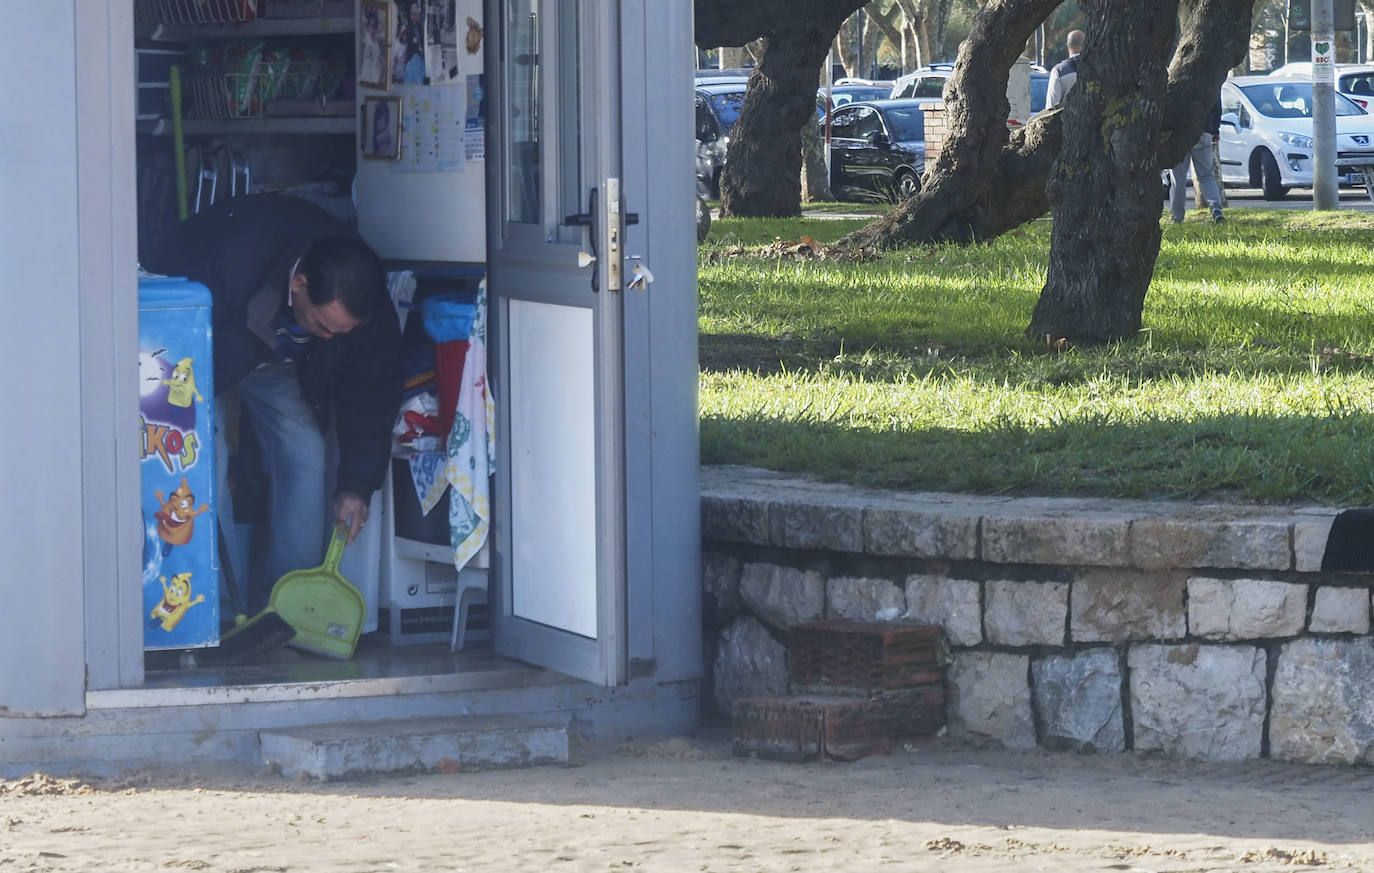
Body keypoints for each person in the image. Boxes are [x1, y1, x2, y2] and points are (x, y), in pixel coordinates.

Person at [140, 194, 402, 611]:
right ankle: (216, 609)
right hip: (200, 350)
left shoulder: (365, 308)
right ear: (299, 285)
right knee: (209, 458)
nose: (331, 338)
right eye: (322, 325)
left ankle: (284, 607)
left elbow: (371, 395)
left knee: (306, 454)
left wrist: (356, 485)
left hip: (274, 359)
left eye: (341, 333)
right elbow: (175, 345)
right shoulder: (235, 258)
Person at [1169, 101, 1225, 224]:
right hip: (1203, 132)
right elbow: (1216, 106)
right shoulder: (1210, 82)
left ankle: (1177, 217)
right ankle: (1216, 209)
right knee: (1206, 176)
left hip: (1179, 134)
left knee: (1178, 179)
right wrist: (1215, 130)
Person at [1045, 30, 1085, 108]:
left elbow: (1051, 106)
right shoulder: (1098, 68)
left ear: (1067, 46)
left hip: (1068, 119)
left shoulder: (1059, 71)